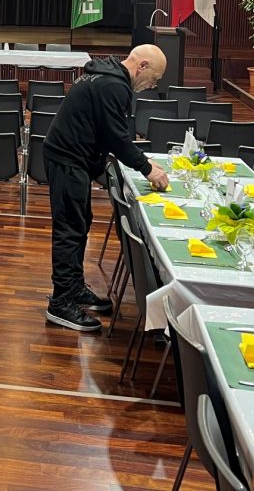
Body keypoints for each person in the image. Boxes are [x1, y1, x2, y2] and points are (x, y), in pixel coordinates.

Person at [42, 43, 170, 332]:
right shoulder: (113, 86)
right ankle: (60, 302)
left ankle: (73, 287)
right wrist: (147, 168)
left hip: (72, 158)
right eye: (154, 79)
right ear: (142, 66)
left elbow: (104, 132)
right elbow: (116, 138)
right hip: (66, 159)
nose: (152, 86)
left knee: (80, 223)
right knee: (69, 229)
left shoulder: (105, 76)